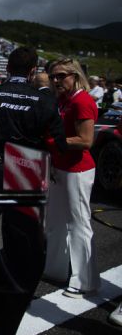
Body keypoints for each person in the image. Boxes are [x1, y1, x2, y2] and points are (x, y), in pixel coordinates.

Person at [0, 46, 67, 335]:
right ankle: (11, 294)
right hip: (27, 171)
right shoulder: (46, 102)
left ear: (8, 67)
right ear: (32, 69)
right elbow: (57, 145)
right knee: (22, 244)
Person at [43, 58, 100, 298]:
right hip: (61, 166)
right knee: (55, 221)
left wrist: (51, 142)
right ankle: (55, 268)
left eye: (61, 75)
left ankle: (84, 280)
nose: (56, 80)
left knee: (78, 223)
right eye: (53, 76)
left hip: (77, 169)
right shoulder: (65, 100)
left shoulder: (82, 101)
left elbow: (86, 140)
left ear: (75, 75)